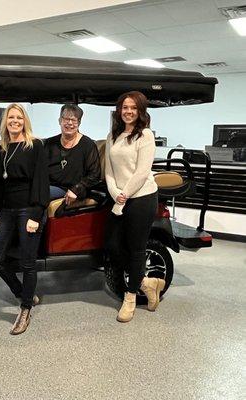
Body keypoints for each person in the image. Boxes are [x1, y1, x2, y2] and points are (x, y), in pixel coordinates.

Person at [0, 103, 49, 335]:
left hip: (28, 210)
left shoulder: (35, 146)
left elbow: (41, 182)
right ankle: (24, 293)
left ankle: (24, 310)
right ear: (5, 122)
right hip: (7, 212)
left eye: (19, 118)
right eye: (10, 117)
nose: (14, 121)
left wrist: (36, 213)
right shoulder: (1, 148)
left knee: (27, 262)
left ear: (24, 121)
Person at [104, 91, 165, 323]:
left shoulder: (145, 135)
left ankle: (130, 298)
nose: (128, 112)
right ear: (119, 110)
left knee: (136, 248)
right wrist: (115, 193)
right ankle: (148, 283)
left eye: (133, 108)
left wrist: (125, 194)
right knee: (112, 246)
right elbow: (108, 169)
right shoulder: (113, 135)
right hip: (119, 197)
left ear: (140, 111)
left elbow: (142, 172)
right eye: (124, 107)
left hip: (141, 197)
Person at [45, 104, 101, 204]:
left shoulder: (88, 145)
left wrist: (76, 189)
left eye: (74, 120)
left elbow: (94, 175)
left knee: (41, 193)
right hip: (49, 185)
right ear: (59, 121)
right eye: (66, 118)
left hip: (73, 189)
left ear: (79, 123)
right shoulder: (49, 143)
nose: (70, 123)